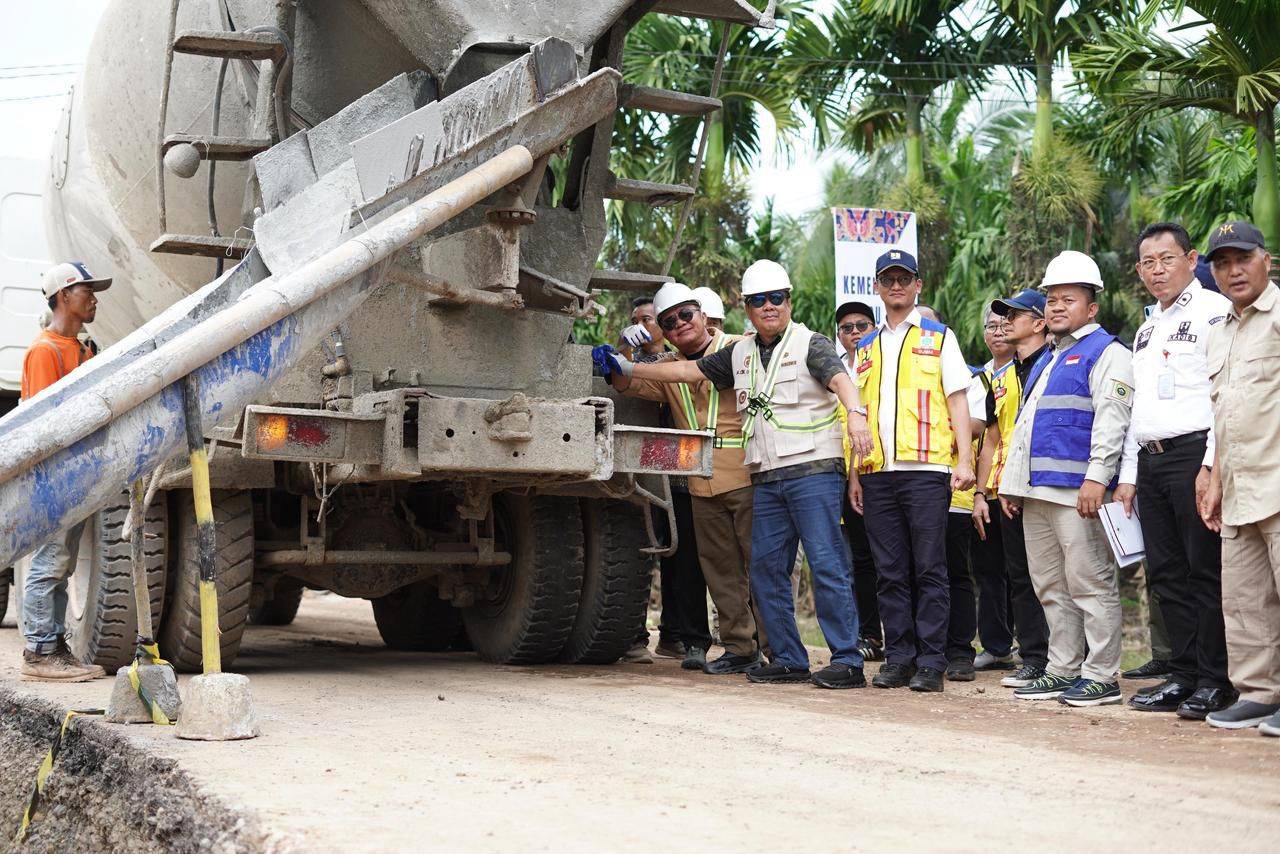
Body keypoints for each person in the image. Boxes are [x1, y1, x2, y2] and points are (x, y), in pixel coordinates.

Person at [594, 259, 874, 689]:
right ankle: (785, 657)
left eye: (776, 299)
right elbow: (684, 371)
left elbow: (840, 378)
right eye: (759, 300)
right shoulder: (741, 354)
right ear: (746, 305)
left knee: (826, 564)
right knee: (762, 571)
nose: (768, 307)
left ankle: (847, 659)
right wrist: (626, 364)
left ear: (788, 300)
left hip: (808, 472)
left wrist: (855, 413)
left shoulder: (807, 343)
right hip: (761, 475)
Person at [608, 282, 767, 674]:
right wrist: (620, 353)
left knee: (762, 569)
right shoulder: (666, 366)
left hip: (747, 476)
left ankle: (779, 650)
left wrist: (636, 362)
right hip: (700, 483)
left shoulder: (738, 346)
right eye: (669, 321)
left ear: (701, 314)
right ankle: (739, 648)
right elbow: (627, 381)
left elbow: (689, 372)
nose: (680, 324)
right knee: (721, 572)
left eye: (685, 315)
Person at [998, 251, 1133, 707]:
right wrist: (1014, 486)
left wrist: (1099, 479)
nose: (1056, 307)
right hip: (1037, 491)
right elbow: (1026, 428)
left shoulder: (1108, 352)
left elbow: (1113, 422)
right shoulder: (1049, 359)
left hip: (1078, 491)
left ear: (1091, 308)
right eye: (1052, 299)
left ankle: (1101, 675)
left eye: (1068, 299)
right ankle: (1062, 668)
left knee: (1090, 583)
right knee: (1051, 587)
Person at [1117, 222, 1235, 719]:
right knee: (1166, 574)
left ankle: (1216, 679)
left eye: (1167, 259)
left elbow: (1219, 397)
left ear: (1191, 259)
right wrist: (1128, 474)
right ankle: (1182, 673)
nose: (1157, 270)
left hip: (1194, 456)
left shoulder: (1214, 312)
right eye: (1148, 262)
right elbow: (1138, 406)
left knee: (1202, 571)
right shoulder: (1147, 328)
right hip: (1151, 459)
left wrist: (1210, 465)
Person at [850, 251, 976, 693]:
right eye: (888, 279)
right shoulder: (864, 347)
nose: (897, 285)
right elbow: (856, 414)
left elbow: (958, 399)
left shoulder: (940, 337)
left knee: (929, 568)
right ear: (878, 288)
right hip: (877, 474)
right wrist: (854, 476)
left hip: (926, 470)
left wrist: (964, 461)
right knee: (889, 570)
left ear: (917, 285)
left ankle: (931, 661)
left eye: (904, 279)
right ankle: (899, 658)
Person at [1198, 220, 1280, 736]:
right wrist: (1214, 475)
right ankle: (1258, 692)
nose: (1233, 270)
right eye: (1222, 262)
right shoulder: (1219, 333)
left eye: (1242, 259)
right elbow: (1224, 413)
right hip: (1239, 485)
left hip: (1277, 479)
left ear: (1265, 261)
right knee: (1244, 600)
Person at [20, 261, 113, 682]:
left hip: (76, 474)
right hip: (55, 475)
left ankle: (55, 646)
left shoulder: (81, 348)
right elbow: (43, 423)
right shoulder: (46, 350)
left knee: (63, 562)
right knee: (50, 561)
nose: (93, 298)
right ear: (62, 297)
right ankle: (39, 653)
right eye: (85, 290)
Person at [982, 289, 1053, 689]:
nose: (1005, 322)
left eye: (1015, 315)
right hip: (1009, 490)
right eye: (1001, 315)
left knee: (1058, 577)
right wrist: (983, 491)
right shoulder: (1003, 375)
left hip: (1048, 486)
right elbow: (992, 438)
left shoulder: (1055, 362)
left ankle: (1070, 659)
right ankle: (1035, 658)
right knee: (1021, 577)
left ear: (1039, 323)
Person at [618, 296, 689, 663]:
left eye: (648, 318)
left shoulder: (678, 361)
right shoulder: (631, 361)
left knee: (679, 556)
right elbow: (618, 379)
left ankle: (675, 634)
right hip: (639, 465)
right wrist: (620, 350)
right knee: (638, 549)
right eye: (635, 320)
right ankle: (632, 633)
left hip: (677, 468)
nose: (642, 325)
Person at [917, 304, 981, 682]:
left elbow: (973, 425)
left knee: (955, 574)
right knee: (918, 571)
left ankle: (960, 652)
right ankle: (927, 649)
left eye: (929, 324)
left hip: (956, 492)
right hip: (914, 489)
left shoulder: (968, 378)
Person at [968, 308, 1016, 671]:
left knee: (1024, 571)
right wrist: (978, 492)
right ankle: (997, 645)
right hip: (985, 486)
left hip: (1018, 484)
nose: (998, 332)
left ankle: (1034, 646)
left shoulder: (1030, 367)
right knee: (988, 570)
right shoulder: (976, 378)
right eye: (991, 326)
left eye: (1005, 325)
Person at [835, 300, 884, 662]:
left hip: (874, 473)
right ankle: (867, 635)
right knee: (854, 561)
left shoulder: (882, 363)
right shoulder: (831, 370)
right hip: (834, 475)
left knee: (884, 560)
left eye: (862, 326)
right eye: (847, 327)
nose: (854, 333)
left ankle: (890, 634)